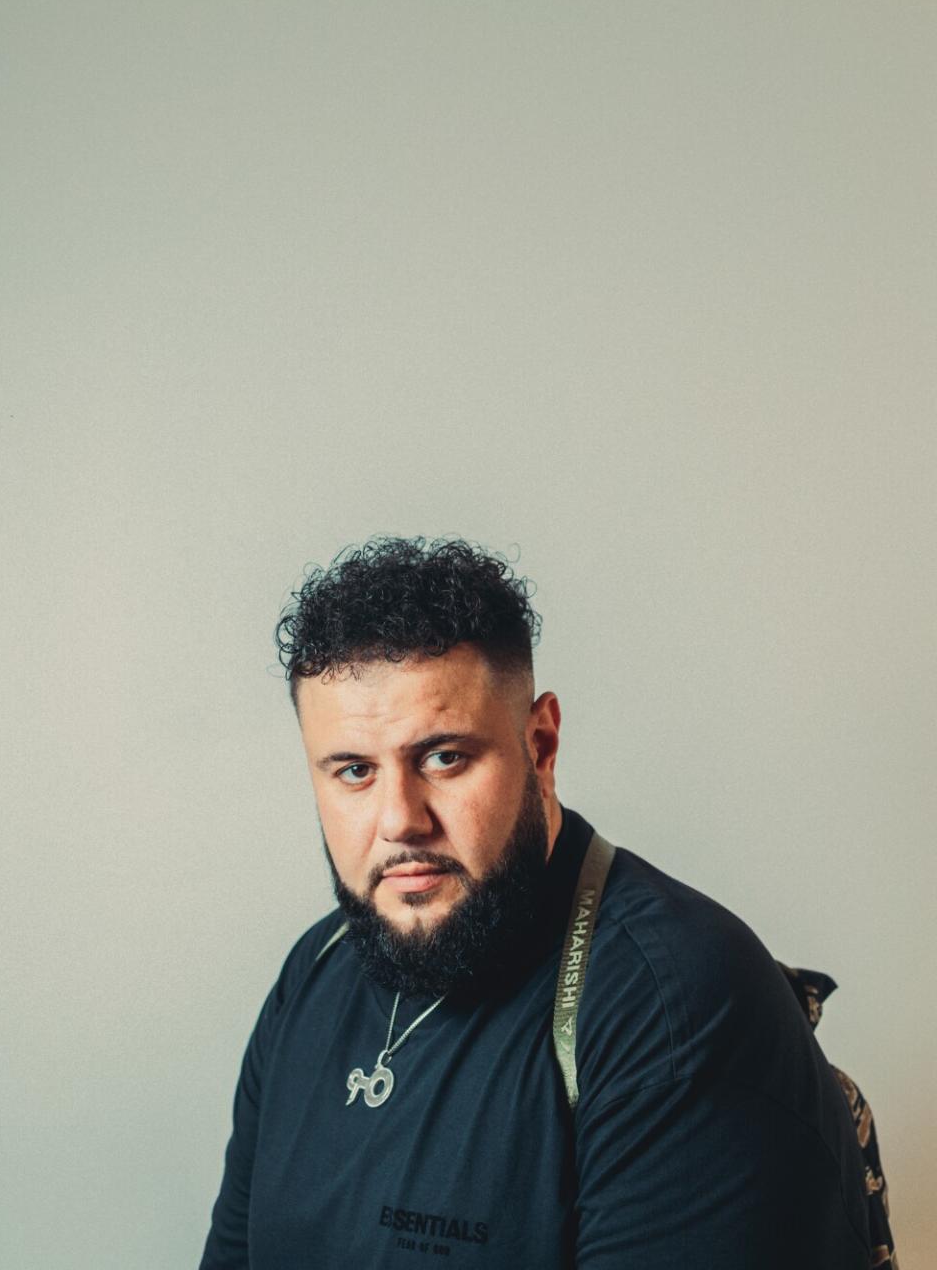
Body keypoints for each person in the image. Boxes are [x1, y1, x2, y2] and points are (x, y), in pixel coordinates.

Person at [199, 536, 873, 1269]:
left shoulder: (673, 1002)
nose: (400, 819)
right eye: (354, 771)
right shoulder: (316, 968)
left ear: (541, 745)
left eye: (444, 757)